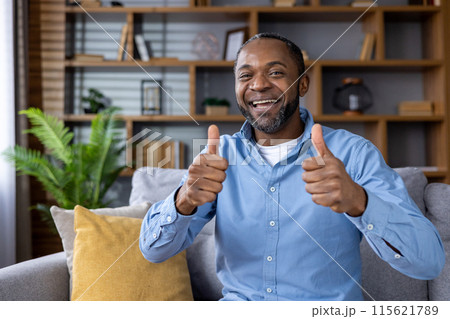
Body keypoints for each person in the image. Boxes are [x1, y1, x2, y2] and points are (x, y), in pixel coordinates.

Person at [139, 33, 445, 301]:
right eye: (246, 76)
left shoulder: (352, 154)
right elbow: (153, 251)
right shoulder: (219, 155)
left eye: (275, 72)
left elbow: (428, 262)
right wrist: (184, 202)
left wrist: (360, 202)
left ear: (303, 84)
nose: (258, 85)